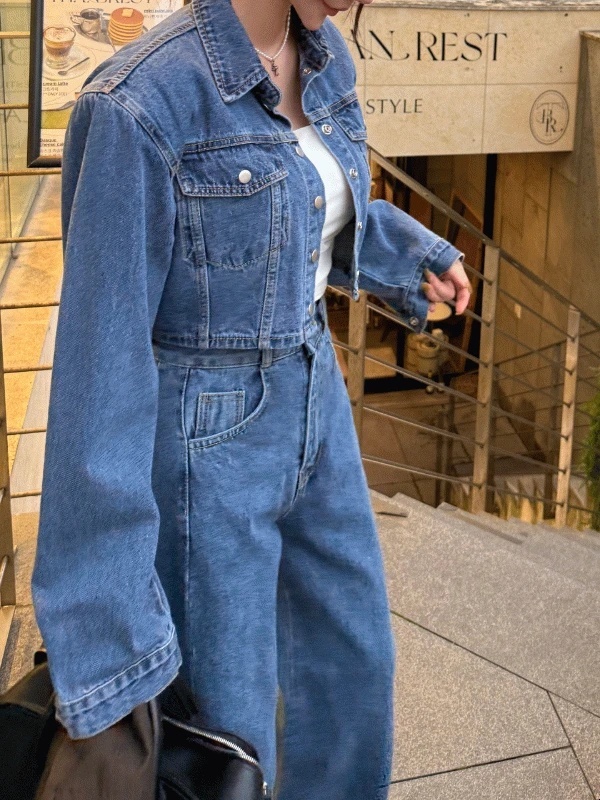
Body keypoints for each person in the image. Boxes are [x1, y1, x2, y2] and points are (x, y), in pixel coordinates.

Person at [30, 1, 470, 799]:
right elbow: (100, 366)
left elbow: (306, 204)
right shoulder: (137, 103)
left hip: (315, 393)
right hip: (206, 436)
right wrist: (107, 644)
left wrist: (409, 256)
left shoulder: (325, 54)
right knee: (229, 726)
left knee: (353, 668)